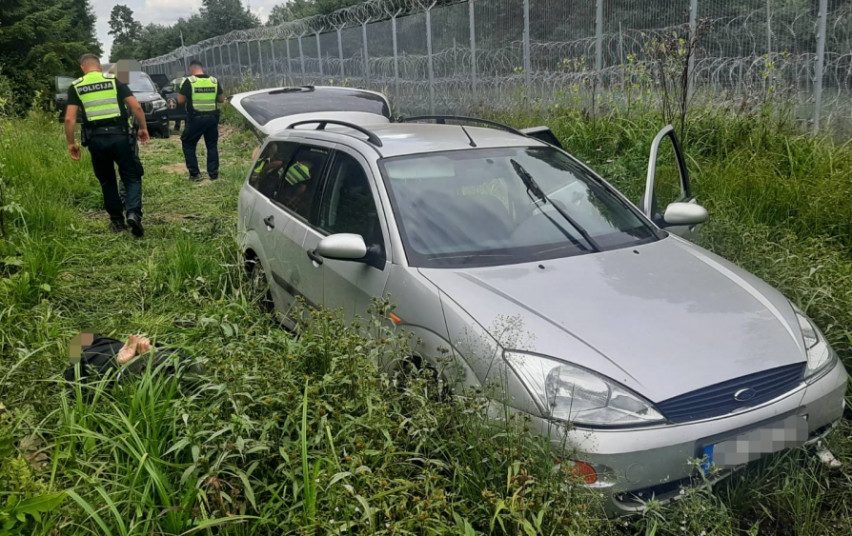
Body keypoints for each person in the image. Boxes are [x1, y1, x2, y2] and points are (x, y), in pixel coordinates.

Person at [65, 54, 149, 237]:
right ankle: (134, 213)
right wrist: (143, 128)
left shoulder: (76, 86)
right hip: (120, 137)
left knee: (107, 180)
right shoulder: (113, 80)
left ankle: (117, 221)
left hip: (96, 141)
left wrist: (71, 143)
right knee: (132, 176)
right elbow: (136, 107)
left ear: (82, 68)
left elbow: (69, 118)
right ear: (99, 66)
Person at [178, 60, 225, 181]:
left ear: (191, 69)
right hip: (212, 119)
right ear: (201, 68)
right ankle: (213, 174)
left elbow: (180, 101)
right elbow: (221, 99)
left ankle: (195, 174)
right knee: (211, 145)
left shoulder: (189, 81)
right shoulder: (213, 81)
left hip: (195, 119)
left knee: (188, 143)